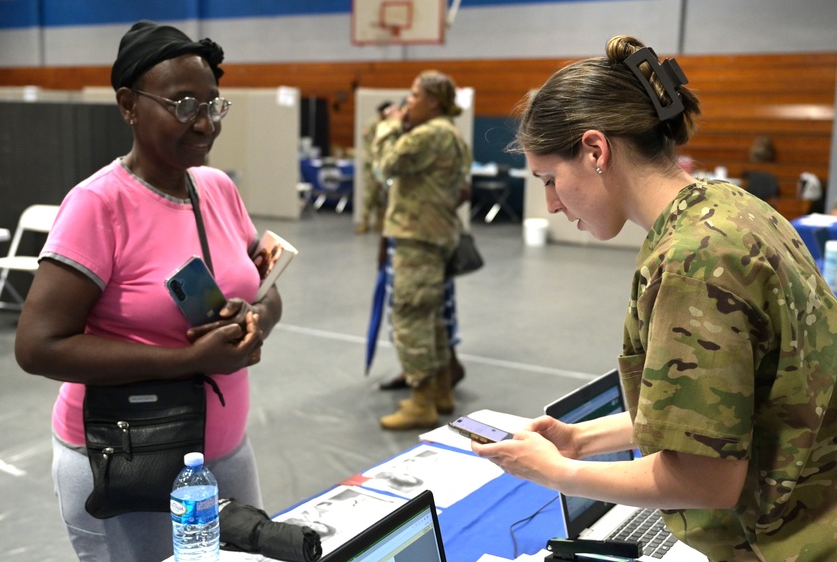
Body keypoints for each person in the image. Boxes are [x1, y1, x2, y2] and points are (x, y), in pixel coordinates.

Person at [472, 35, 837, 560]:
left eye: (551, 179)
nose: (551, 203)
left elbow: (705, 480)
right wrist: (582, 439)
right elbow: (721, 414)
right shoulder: (726, 206)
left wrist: (560, 472)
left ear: (596, 150)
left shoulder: (693, 260)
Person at [14, 21, 283, 562]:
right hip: (128, 456)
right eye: (183, 104)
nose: (204, 122)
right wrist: (184, 359)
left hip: (224, 449)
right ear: (129, 105)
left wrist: (254, 319)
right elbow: (38, 345)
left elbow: (265, 289)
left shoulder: (218, 187)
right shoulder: (98, 205)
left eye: (213, 105)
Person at [372, 70, 471, 430]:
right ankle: (441, 390)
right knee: (432, 319)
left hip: (418, 237)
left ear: (432, 101)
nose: (408, 102)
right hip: (435, 234)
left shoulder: (430, 134)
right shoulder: (451, 135)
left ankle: (421, 401)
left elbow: (386, 163)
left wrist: (389, 125)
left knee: (411, 316)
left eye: (414, 96)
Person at [356, 100, 394, 234]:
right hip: (372, 164)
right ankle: (364, 221)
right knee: (370, 195)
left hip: (385, 164)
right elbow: (369, 144)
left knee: (382, 195)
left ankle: (380, 221)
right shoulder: (373, 124)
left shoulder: (390, 125)